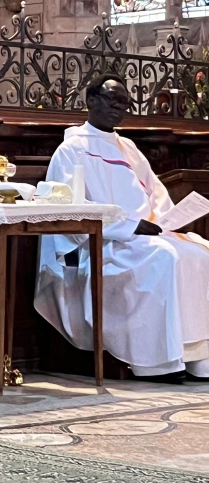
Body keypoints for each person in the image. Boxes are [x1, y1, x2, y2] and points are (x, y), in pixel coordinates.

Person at [35, 73, 209, 383]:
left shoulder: (128, 147)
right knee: (165, 257)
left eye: (124, 103)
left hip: (145, 236)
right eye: (112, 100)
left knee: (199, 254)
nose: (118, 108)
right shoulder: (71, 149)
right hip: (106, 243)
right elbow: (71, 207)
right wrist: (129, 227)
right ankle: (158, 361)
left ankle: (196, 356)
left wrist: (165, 221)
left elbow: (156, 193)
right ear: (91, 101)